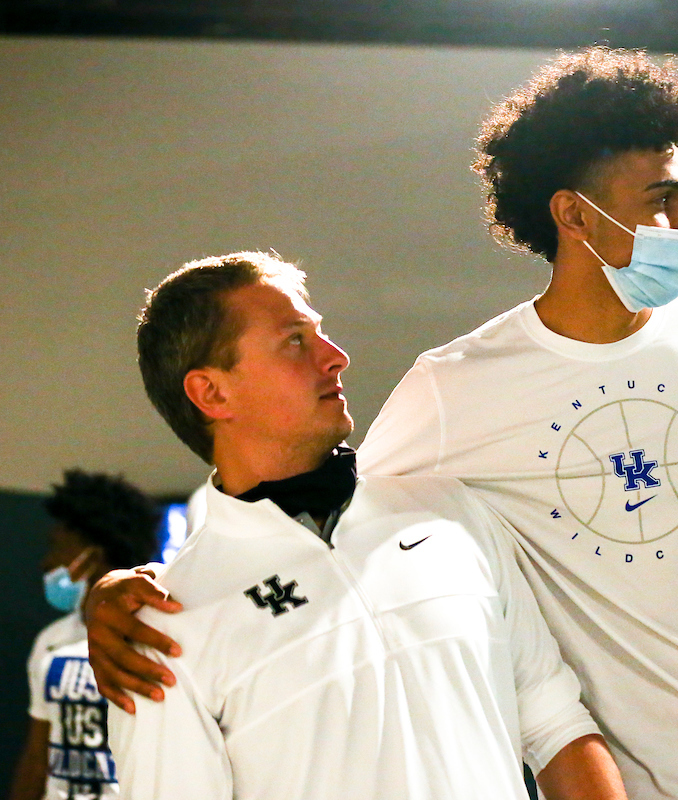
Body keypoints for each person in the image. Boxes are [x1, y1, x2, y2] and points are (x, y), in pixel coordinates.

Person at [87, 50, 678, 800]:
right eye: (661, 200)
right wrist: (125, 593)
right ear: (575, 215)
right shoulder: (453, 391)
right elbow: (303, 511)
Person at [101, 252, 625, 800]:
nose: (336, 357)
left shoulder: (450, 509)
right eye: (295, 341)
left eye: (320, 333)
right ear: (212, 392)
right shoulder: (163, 627)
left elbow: (555, 722)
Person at [7, 470, 160, 800]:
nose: (47, 562)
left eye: (58, 548)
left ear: (92, 556)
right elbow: (37, 755)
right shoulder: (51, 641)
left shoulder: (151, 635)